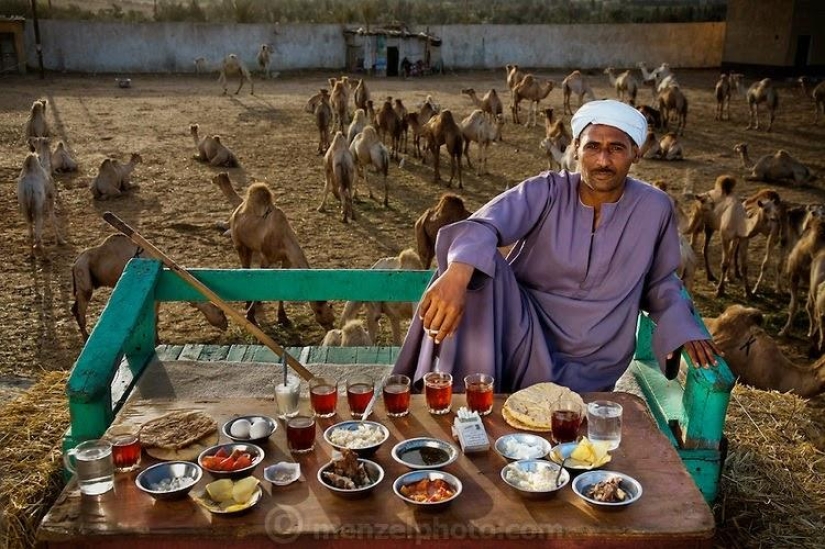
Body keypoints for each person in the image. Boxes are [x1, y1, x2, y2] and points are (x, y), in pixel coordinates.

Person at [393, 99, 720, 394]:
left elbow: (662, 281)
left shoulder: (655, 207)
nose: (603, 160)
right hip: (525, 335)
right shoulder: (546, 190)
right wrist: (457, 274)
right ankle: (466, 402)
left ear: (636, 152)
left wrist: (683, 326)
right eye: (593, 147)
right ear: (576, 148)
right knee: (475, 269)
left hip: (597, 355)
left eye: (616, 148)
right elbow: (485, 225)